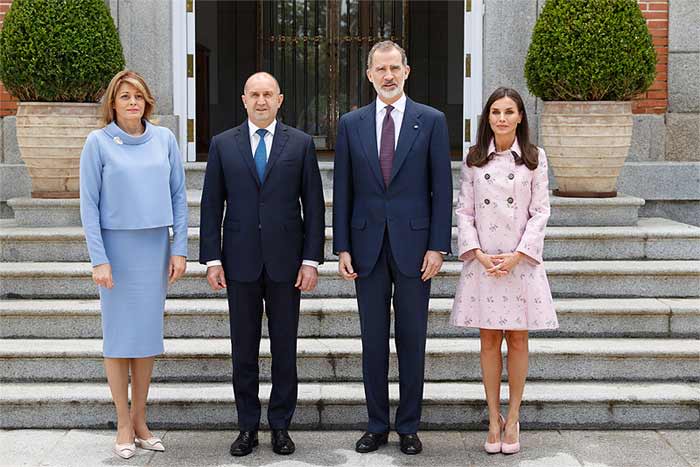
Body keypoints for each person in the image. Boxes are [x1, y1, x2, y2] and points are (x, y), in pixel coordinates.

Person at [332, 40, 453, 455]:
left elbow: (442, 188)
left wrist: (439, 246)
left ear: (407, 71)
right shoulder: (350, 124)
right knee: (372, 340)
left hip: (416, 248)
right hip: (366, 247)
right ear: (369, 74)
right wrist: (342, 246)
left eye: (394, 68)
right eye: (380, 69)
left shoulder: (431, 121)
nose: (388, 75)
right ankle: (376, 424)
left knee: (412, 338)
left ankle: (409, 426)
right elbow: (343, 189)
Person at [199, 72, 325, 457]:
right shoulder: (222, 144)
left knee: (285, 349)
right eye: (254, 94)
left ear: (280, 99)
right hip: (239, 263)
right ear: (243, 99)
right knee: (244, 351)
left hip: (287, 265)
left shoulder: (301, 144)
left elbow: (314, 206)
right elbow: (210, 204)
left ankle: (281, 427)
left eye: (268, 94)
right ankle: (247, 427)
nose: (261, 101)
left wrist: (311, 260)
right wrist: (212, 259)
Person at [79, 70, 188, 459]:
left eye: (138, 96)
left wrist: (180, 248)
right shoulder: (98, 143)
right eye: (125, 96)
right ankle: (123, 422)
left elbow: (178, 195)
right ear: (112, 102)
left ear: (147, 102)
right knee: (118, 339)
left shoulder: (165, 139)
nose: (132, 102)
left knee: (145, 339)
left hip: (154, 248)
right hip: (116, 250)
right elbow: (88, 206)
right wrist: (99, 259)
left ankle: (141, 420)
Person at [450, 87, 559, 455]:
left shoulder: (533, 158)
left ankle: (513, 417)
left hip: (518, 262)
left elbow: (541, 211)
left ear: (520, 117)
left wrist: (520, 254)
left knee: (517, 339)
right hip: (485, 262)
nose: (501, 118)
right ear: (487, 118)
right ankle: (492, 416)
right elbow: (464, 210)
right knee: (488, 340)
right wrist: (476, 252)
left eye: (508, 111)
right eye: (495, 111)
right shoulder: (474, 159)